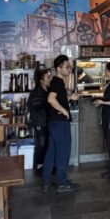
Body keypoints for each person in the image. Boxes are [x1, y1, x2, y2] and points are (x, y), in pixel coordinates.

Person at [43, 54, 80, 193]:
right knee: (63, 153)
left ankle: (46, 182)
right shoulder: (57, 81)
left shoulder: (56, 82)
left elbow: (57, 97)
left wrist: (69, 97)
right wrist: (64, 110)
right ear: (59, 68)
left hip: (53, 123)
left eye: (69, 66)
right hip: (59, 123)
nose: (69, 69)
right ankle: (62, 182)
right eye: (66, 67)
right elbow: (51, 99)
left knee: (51, 152)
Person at [28, 67, 52, 175]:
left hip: (47, 122)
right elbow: (36, 107)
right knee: (41, 145)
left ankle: (46, 166)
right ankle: (40, 167)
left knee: (47, 144)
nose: (50, 78)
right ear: (41, 80)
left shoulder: (48, 90)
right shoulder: (36, 92)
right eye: (48, 77)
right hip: (40, 123)